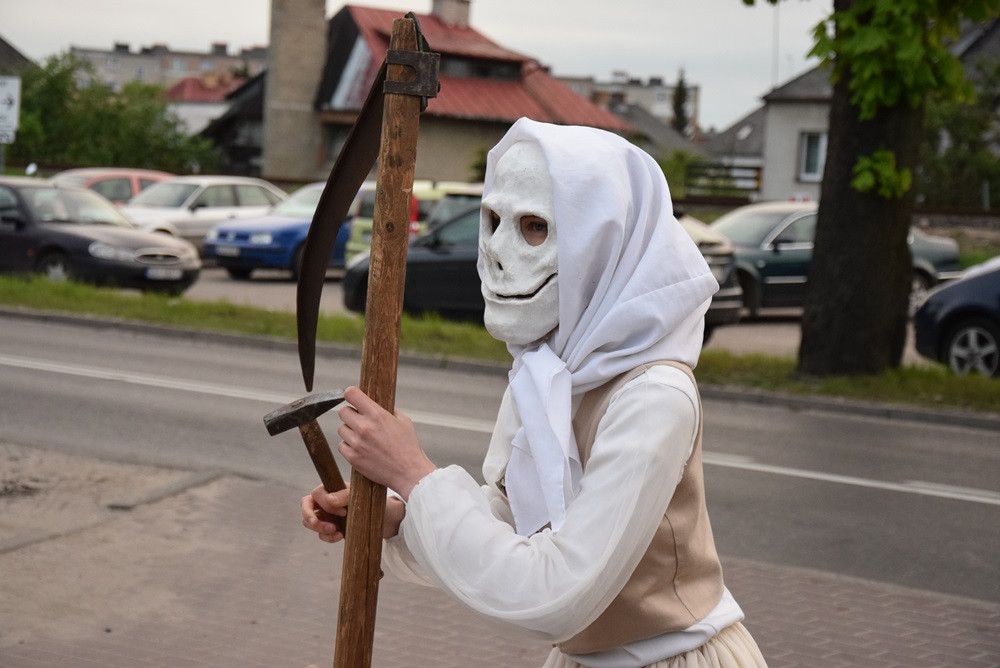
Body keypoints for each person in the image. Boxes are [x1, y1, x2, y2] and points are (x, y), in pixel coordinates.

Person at [301, 117, 767, 668]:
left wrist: (414, 474)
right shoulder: (546, 370)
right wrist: (400, 519)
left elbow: (554, 597)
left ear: (603, 240)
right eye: (492, 219)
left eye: (534, 227)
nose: (496, 250)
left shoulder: (655, 395)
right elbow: (506, 528)